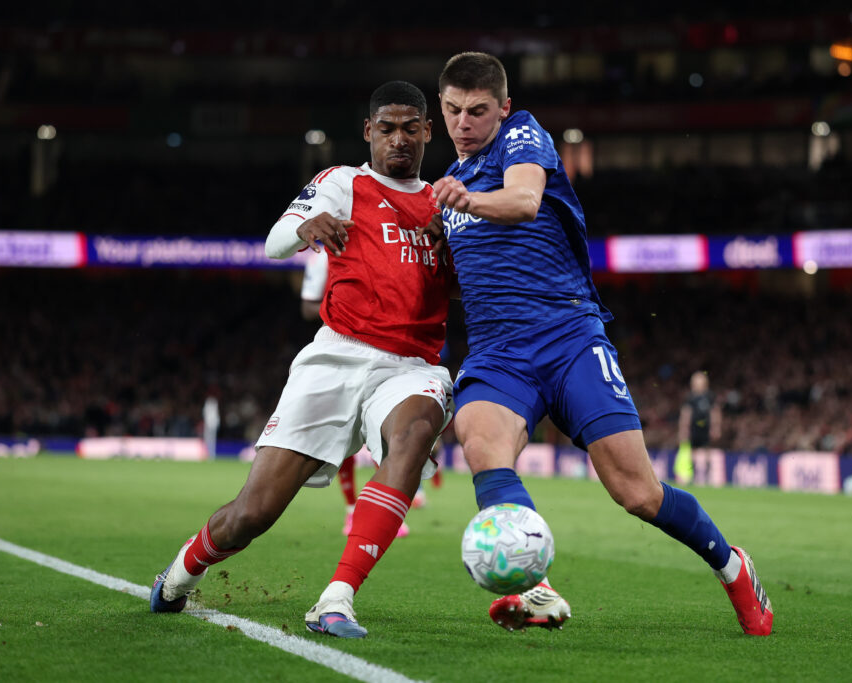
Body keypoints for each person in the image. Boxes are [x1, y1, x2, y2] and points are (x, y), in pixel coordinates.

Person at [429, 52, 772, 636]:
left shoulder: (521, 136)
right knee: (482, 445)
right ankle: (532, 585)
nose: (464, 122)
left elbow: (524, 202)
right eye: (453, 110)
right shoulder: (444, 186)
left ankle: (732, 565)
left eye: (478, 110)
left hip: (567, 336)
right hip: (497, 351)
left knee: (637, 493)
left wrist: (466, 201)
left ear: (502, 108)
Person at [150, 81, 454, 639]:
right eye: (387, 127)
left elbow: (475, 289)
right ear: (369, 132)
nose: (399, 139)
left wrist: (456, 247)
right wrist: (306, 227)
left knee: (412, 437)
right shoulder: (344, 182)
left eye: (412, 127)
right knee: (252, 514)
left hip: (412, 364)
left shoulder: (447, 201)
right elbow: (274, 241)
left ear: (428, 132)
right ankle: (180, 574)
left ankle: (336, 598)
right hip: (337, 355)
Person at [300, 248, 411, 538]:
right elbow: (307, 307)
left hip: (385, 350)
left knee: (382, 429)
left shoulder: (381, 246)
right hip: (339, 349)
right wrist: (347, 302)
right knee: (345, 434)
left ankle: (381, 511)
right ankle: (352, 510)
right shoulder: (321, 258)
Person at [676, 371, 723, 486]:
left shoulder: (709, 396)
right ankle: (692, 475)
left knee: (707, 450)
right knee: (692, 451)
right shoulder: (690, 397)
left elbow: (715, 412)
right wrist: (684, 428)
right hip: (694, 428)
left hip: (705, 427)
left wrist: (716, 427)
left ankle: (707, 475)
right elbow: (686, 413)